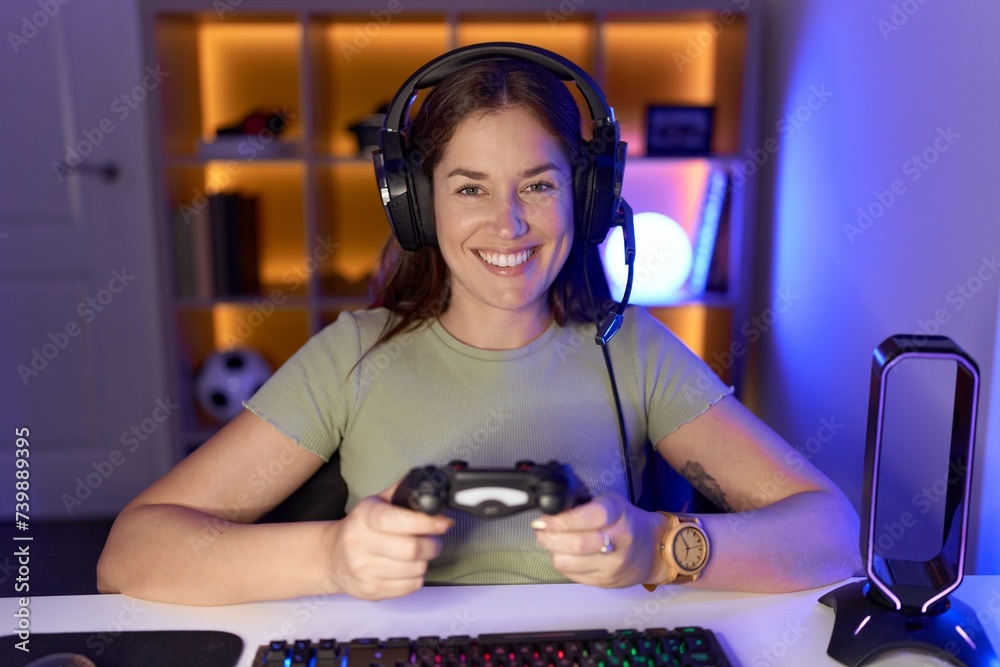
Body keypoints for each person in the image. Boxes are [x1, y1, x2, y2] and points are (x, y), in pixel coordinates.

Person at [97, 47, 861, 606]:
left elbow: (831, 530)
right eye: (471, 188)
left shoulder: (630, 348)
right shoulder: (352, 356)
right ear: (420, 205)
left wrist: (659, 547)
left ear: (586, 200)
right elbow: (131, 553)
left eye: (539, 184)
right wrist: (331, 554)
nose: (510, 224)